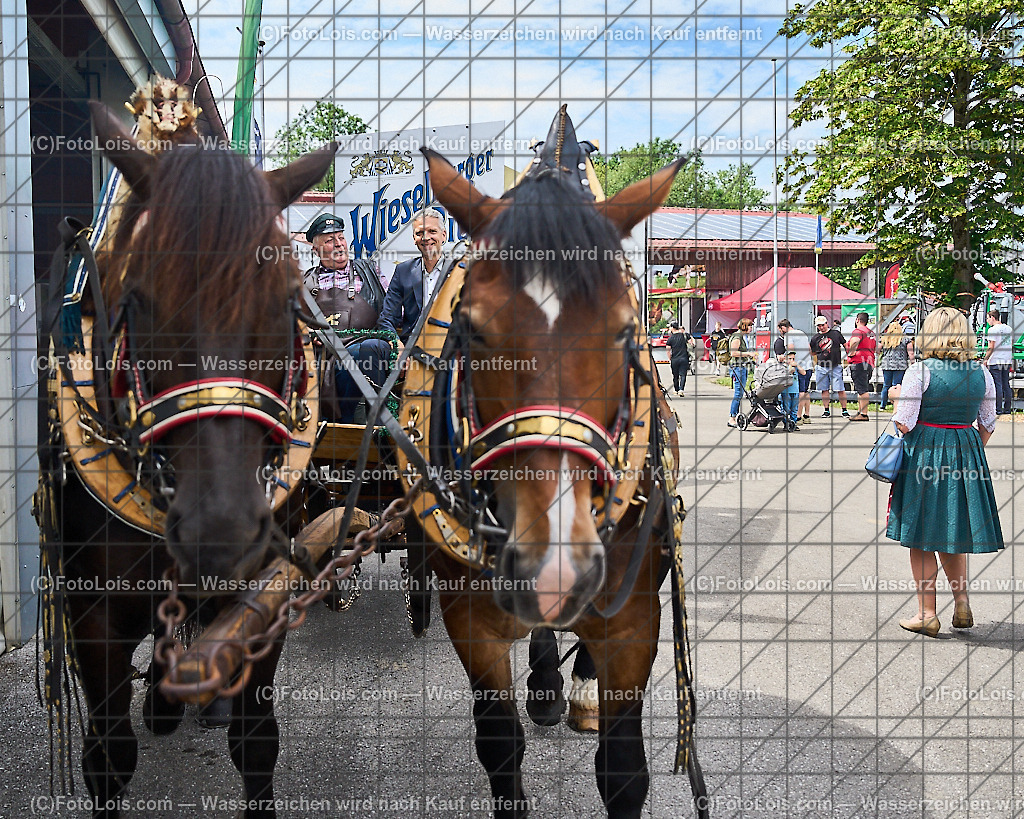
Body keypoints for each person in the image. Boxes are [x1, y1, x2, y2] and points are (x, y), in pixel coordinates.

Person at [887, 307, 1003, 637]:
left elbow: (904, 423)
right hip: (966, 452)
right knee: (952, 530)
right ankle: (962, 603)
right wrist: (968, 451)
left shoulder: (920, 371)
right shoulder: (981, 372)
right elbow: (988, 423)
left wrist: (896, 396)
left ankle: (927, 614)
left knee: (921, 534)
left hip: (924, 455)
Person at [304, 213, 391, 423]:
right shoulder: (305, 283)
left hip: (371, 351)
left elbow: (393, 312)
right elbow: (292, 326)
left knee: (370, 349)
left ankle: (375, 426)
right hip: (325, 359)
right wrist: (307, 334)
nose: (339, 244)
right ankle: (348, 427)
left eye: (341, 237)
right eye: (329, 240)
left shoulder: (370, 271)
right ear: (315, 250)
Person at [378, 208, 455, 345]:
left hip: (449, 345)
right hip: (413, 345)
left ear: (444, 235)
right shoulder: (403, 271)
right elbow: (387, 319)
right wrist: (396, 345)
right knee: (371, 346)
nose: (426, 237)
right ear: (414, 238)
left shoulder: (459, 270)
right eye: (419, 233)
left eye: (432, 231)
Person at [810, 315, 850, 418]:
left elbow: (845, 344)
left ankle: (844, 410)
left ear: (827, 323)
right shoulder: (815, 338)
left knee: (840, 389)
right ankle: (826, 410)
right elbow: (812, 352)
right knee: (824, 389)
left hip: (835, 365)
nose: (821, 327)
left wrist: (849, 356)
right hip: (822, 366)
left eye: (822, 325)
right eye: (819, 326)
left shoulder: (835, 333)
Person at [982, 308, 1013, 415]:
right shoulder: (1009, 328)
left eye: (988, 318)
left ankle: (998, 409)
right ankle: (1007, 409)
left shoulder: (992, 330)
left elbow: (991, 346)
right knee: (1006, 384)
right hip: (1006, 359)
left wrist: (985, 359)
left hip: (995, 360)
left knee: (997, 385)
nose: (987, 321)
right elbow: (1011, 343)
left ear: (992, 317)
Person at [846, 311, 876, 421]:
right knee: (862, 388)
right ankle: (860, 411)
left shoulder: (858, 331)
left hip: (859, 362)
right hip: (869, 361)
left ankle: (864, 414)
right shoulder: (871, 333)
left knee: (862, 389)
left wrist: (851, 352)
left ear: (857, 320)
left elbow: (855, 341)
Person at [727, 318, 756, 428]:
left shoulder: (741, 336)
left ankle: (736, 416)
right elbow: (733, 353)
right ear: (744, 326)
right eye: (750, 326)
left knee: (740, 393)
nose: (751, 328)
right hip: (737, 367)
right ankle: (732, 417)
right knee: (738, 393)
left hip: (742, 366)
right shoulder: (737, 337)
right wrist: (748, 354)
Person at [878, 321, 912, 410]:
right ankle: (896, 405)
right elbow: (911, 353)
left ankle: (882, 405)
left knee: (886, 385)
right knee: (897, 385)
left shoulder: (884, 339)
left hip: (887, 364)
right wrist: (913, 363)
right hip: (901, 365)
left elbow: (877, 349)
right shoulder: (905, 339)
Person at [784, 319, 813, 424]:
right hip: (808, 365)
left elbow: (791, 349)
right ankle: (807, 415)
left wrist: (790, 361)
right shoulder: (802, 333)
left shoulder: (788, 335)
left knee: (800, 392)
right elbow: (809, 349)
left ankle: (798, 416)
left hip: (799, 366)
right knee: (805, 391)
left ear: (783, 328)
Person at [774, 320, 800, 427]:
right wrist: (786, 360)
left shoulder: (793, 339)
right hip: (784, 375)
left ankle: (793, 421)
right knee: (786, 402)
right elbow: (779, 358)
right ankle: (786, 422)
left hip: (794, 377)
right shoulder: (779, 342)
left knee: (794, 402)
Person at [666, 321, 692, 396]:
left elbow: (668, 350)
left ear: (672, 328)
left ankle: (676, 390)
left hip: (675, 359)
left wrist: (670, 358)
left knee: (675, 375)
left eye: (670, 327)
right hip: (684, 358)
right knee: (683, 375)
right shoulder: (684, 336)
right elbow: (691, 343)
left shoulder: (670, 339)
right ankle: (681, 390)